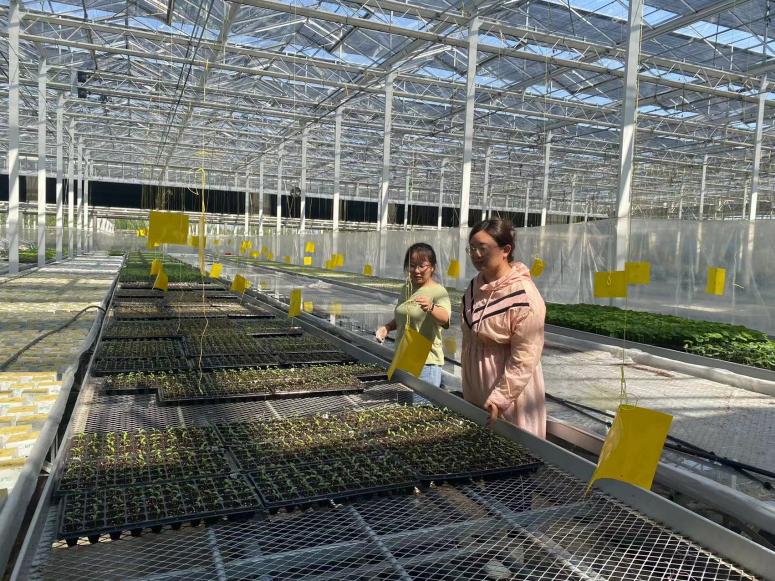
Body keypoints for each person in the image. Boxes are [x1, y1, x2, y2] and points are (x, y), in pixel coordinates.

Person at [461, 219, 546, 438]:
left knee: (510, 450)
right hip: (476, 394)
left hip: (509, 400)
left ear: (505, 250)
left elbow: (525, 357)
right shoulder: (474, 286)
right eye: (472, 248)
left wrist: (500, 399)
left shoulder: (523, 296)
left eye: (483, 248)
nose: (476, 255)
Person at [376, 243, 451, 387]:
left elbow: (445, 319)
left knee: (420, 401)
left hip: (426, 362)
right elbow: (403, 317)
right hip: (403, 357)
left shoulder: (438, 291)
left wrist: (431, 307)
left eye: (422, 266)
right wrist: (387, 328)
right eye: (412, 265)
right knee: (403, 401)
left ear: (432, 267)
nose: (416, 271)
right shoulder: (407, 287)